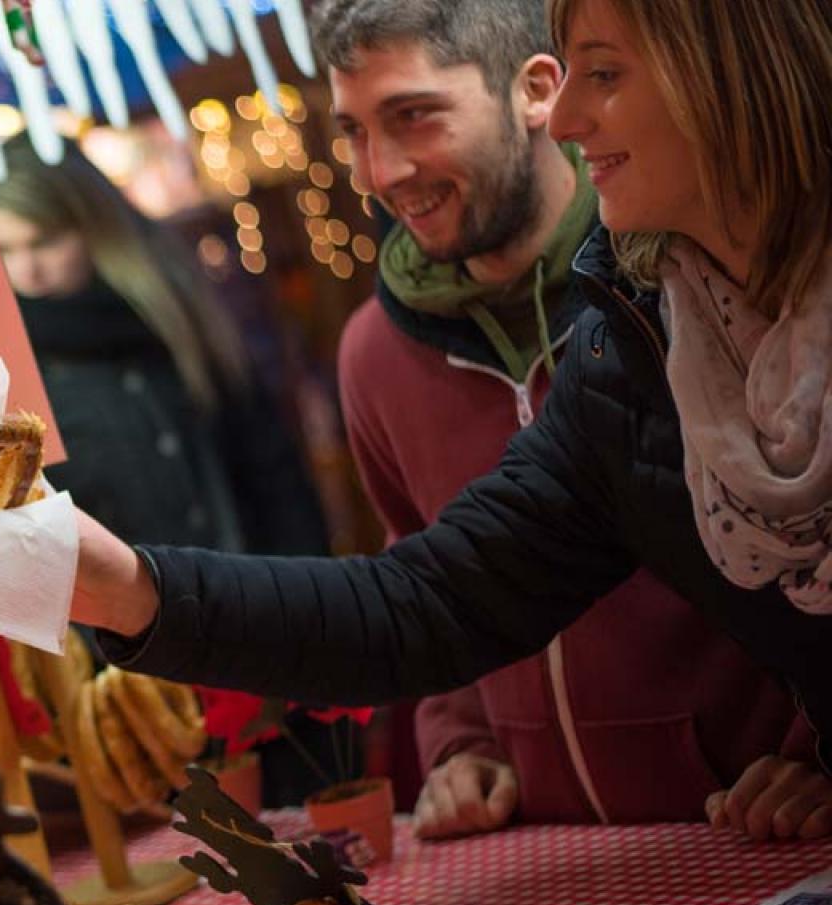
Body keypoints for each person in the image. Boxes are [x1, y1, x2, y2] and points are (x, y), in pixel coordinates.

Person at [68, 0, 832, 848]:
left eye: (604, 74)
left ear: (735, 77)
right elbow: (425, 601)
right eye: (354, 131)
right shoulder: (633, 350)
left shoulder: (623, 325)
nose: (568, 119)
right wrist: (129, 587)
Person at [313, 0, 807, 840]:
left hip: (749, 822)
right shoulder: (371, 352)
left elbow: (800, 547)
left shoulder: (670, 288)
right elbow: (419, 562)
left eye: (413, 116)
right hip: (549, 848)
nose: (378, 171)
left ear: (537, 90)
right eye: (353, 131)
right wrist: (460, 740)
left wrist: (814, 745)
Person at [0, 136, 329, 556]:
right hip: (122, 595)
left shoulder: (175, 311)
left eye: (44, 242)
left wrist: (302, 581)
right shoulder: (3, 360)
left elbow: (270, 469)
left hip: (243, 580)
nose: (27, 270)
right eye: (6, 249)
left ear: (95, 229)